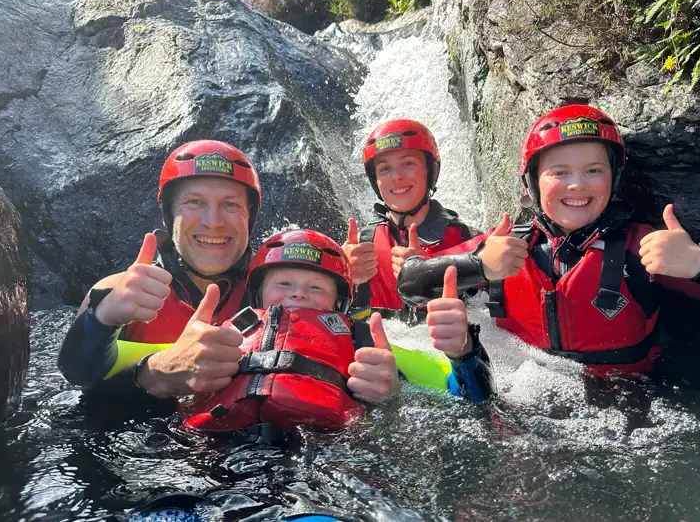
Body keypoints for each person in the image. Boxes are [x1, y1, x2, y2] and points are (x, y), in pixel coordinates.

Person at [397, 104, 700, 376]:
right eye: (559, 172)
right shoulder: (504, 245)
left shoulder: (643, 249)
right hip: (521, 396)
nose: (577, 184)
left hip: (627, 412)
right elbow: (409, 284)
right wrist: (478, 265)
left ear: (614, 178)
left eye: (594, 170)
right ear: (532, 184)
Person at [58, 140, 397, 403]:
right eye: (194, 202)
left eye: (231, 205)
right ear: (170, 213)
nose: (213, 221)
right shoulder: (122, 292)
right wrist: (105, 320)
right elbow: (78, 380)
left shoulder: (278, 287)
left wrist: (387, 392)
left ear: (250, 216)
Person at [183, 228, 494, 432]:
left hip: (325, 453)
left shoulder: (365, 346)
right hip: (220, 446)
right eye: (284, 283)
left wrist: (462, 352)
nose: (298, 294)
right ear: (258, 296)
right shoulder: (224, 336)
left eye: (316, 287)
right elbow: (171, 377)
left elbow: (473, 405)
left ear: (338, 304)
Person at [342, 119, 480, 320]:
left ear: (432, 171)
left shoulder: (468, 240)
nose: (396, 177)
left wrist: (429, 275)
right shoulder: (360, 246)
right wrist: (342, 276)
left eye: (408, 164)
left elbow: (485, 317)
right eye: (384, 169)